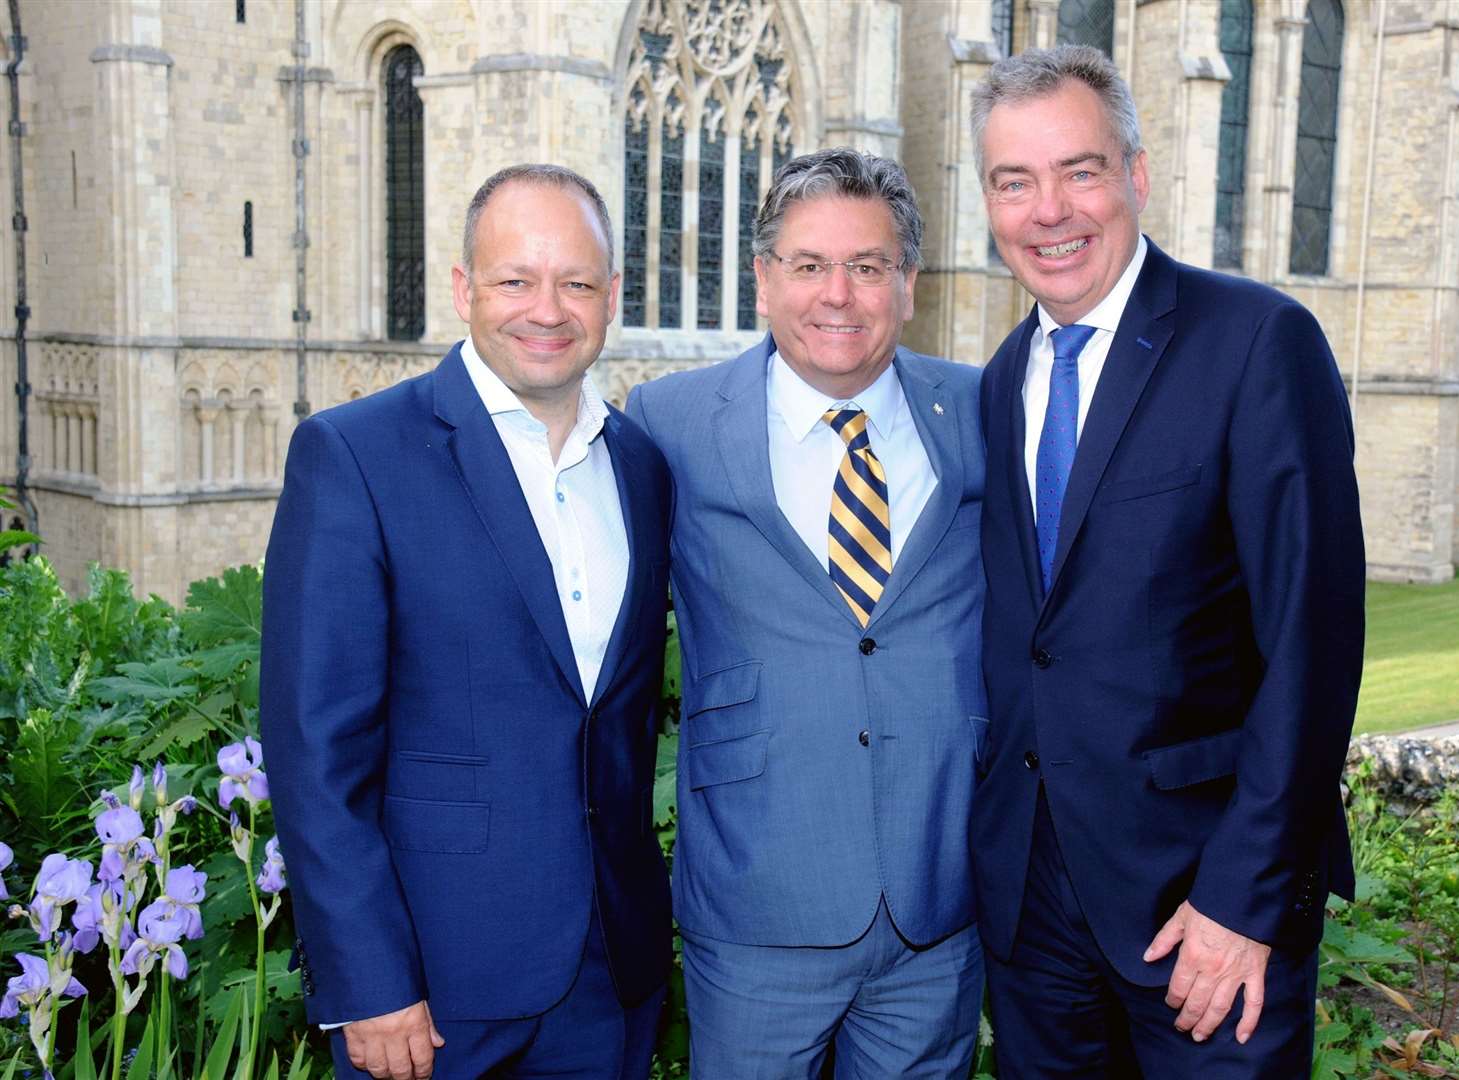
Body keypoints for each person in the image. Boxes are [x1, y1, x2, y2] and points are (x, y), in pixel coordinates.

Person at [969, 45, 1366, 1077]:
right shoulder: (1001, 377)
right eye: (1015, 181)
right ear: (990, 203)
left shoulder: (1256, 343)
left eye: (1079, 171)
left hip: (1203, 914)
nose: (1048, 209)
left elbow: (1312, 651)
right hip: (1034, 917)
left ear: (1137, 177)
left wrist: (1244, 902)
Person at [260, 164, 673, 1080]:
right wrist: (366, 979)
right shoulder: (355, 454)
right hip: (431, 994)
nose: (547, 308)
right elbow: (313, 748)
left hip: (612, 975)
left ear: (611, 298)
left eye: (574, 283)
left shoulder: (642, 468)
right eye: (514, 280)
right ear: (463, 290)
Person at [626, 148, 985, 1079]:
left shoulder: (981, 411)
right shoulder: (667, 423)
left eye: (868, 266)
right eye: (808, 265)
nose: (839, 294)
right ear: (761, 278)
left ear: (907, 284)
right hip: (756, 901)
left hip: (937, 899)